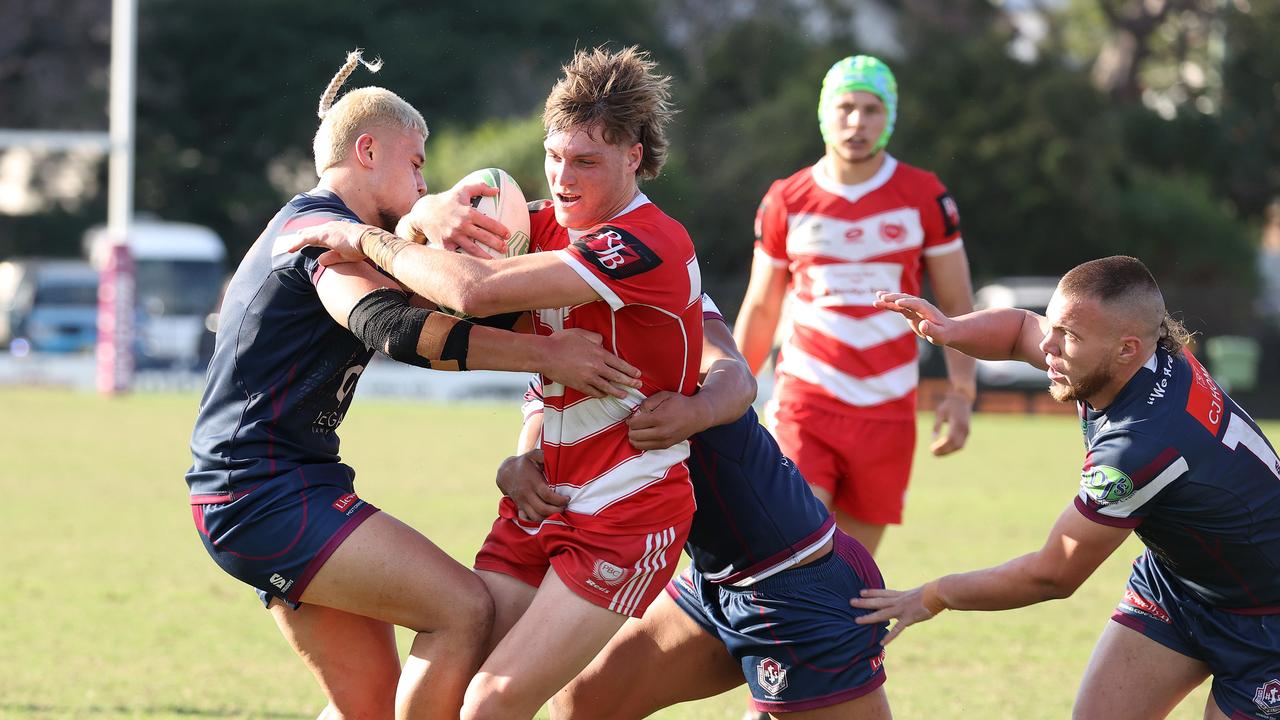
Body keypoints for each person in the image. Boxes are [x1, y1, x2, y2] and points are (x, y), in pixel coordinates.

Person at [186, 50, 644, 720]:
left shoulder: (351, 233)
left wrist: (433, 240)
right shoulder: (317, 231)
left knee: (369, 707)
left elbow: (426, 318)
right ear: (368, 150)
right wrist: (547, 354)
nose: (425, 179)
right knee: (464, 610)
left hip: (284, 486)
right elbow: (391, 327)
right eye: (418, 162)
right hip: (263, 493)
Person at [289, 46, 703, 720]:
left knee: (490, 702)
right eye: (554, 156)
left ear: (634, 156)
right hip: (541, 495)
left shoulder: (646, 242)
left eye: (587, 162)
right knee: (439, 672)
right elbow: (453, 226)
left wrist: (365, 240)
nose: (563, 179)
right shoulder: (543, 220)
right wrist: (432, 214)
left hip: (626, 511)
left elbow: (473, 292)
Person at [853, 256, 1280, 720]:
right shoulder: (1129, 360)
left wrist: (933, 595)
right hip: (1181, 586)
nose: (1048, 346)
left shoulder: (1139, 444)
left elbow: (1052, 575)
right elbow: (1020, 330)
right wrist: (951, 330)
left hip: (1268, 622)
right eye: (1053, 326)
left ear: (1127, 349)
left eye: (1069, 337)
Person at [500, 297, 894, 719]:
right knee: (585, 701)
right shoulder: (556, 333)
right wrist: (519, 464)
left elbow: (738, 378)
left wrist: (698, 410)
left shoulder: (655, 281)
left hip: (794, 582)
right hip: (710, 584)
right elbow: (542, 416)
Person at [733, 54, 977, 557]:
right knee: (799, 548)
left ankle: (851, 639)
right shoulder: (787, 199)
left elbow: (955, 303)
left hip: (888, 410)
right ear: (824, 113)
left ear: (890, 117)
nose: (857, 122)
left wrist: (961, 390)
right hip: (806, 401)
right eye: (845, 108)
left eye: (872, 110)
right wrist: (726, 396)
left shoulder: (924, 196)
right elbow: (760, 307)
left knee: (851, 573)